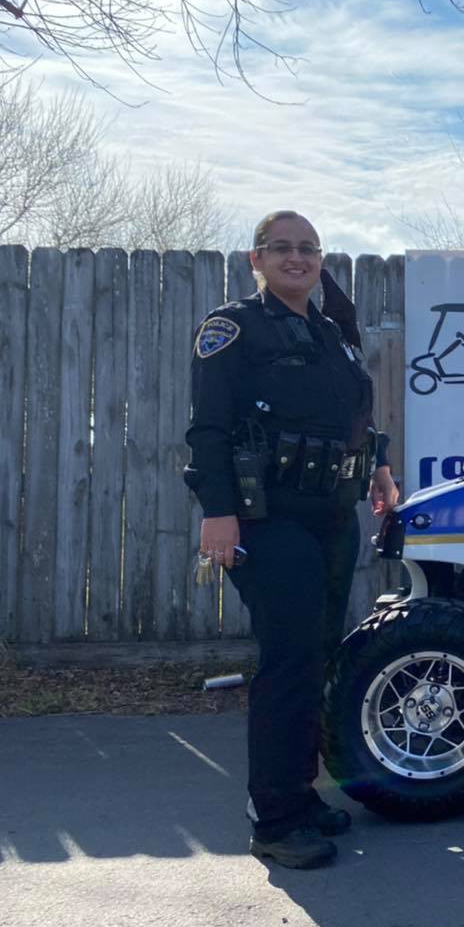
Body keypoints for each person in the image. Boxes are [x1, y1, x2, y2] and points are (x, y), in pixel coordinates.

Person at [184, 210, 398, 870]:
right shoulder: (232, 329)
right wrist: (217, 513)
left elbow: (352, 414)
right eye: (282, 248)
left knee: (319, 654)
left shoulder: (332, 331)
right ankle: (273, 818)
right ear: (256, 260)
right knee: (288, 658)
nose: (297, 257)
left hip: (332, 513)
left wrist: (380, 466)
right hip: (264, 518)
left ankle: (301, 798)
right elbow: (210, 429)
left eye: (308, 248)